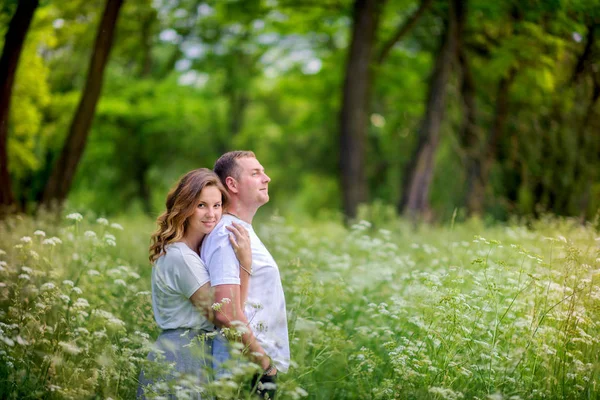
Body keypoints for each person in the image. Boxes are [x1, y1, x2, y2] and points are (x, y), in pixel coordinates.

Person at [138, 168, 252, 399]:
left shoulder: (194, 253)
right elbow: (226, 316)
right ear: (186, 207)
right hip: (181, 358)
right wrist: (245, 265)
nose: (211, 214)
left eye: (217, 205)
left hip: (193, 354)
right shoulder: (182, 258)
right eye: (201, 205)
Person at [201, 151, 290, 399]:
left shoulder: (240, 231)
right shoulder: (227, 234)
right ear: (232, 184)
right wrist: (265, 365)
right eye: (256, 173)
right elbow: (225, 311)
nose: (267, 178)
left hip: (249, 364)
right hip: (240, 368)